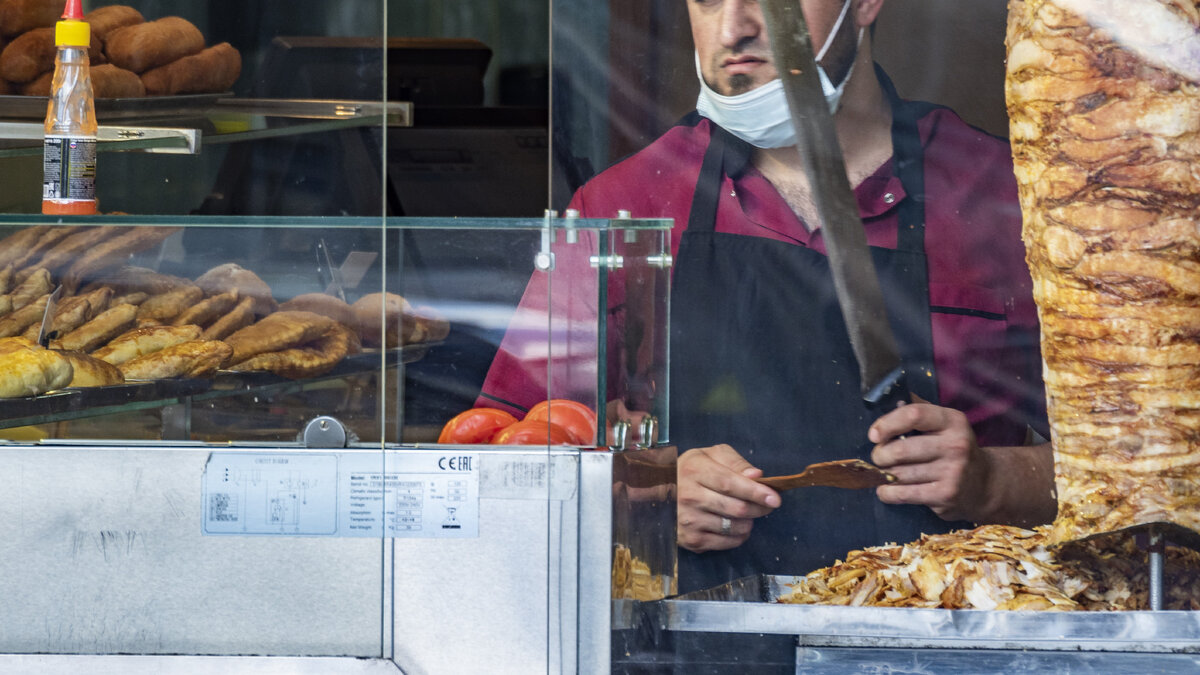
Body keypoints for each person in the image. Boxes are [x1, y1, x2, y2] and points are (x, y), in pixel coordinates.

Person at [479, 0, 1056, 595]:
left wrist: (995, 480)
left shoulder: (1011, 200)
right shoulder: (625, 205)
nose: (733, 28)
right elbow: (500, 464)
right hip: (692, 632)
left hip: (935, 626)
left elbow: (1120, 474)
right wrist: (638, 494)